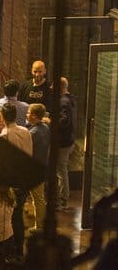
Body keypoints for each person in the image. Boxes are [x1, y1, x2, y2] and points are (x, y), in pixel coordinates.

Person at [0, 103, 33, 256]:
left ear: (4, 117)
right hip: (26, 177)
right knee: (18, 213)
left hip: (12, 181)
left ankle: (14, 248)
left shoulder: (5, 134)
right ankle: (19, 247)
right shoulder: (26, 131)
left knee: (12, 215)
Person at [26, 102, 49, 231]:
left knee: (38, 199)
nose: (27, 115)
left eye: (28, 112)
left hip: (33, 169)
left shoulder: (33, 133)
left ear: (34, 116)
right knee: (39, 197)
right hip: (42, 165)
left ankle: (40, 226)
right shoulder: (45, 128)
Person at [57, 77, 76, 210]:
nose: (51, 88)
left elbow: (64, 121)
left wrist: (50, 121)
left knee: (61, 170)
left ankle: (62, 200)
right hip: (69, 140)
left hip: (63, 142)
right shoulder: (70, 99)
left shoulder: (63, 102)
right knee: (62, 169)